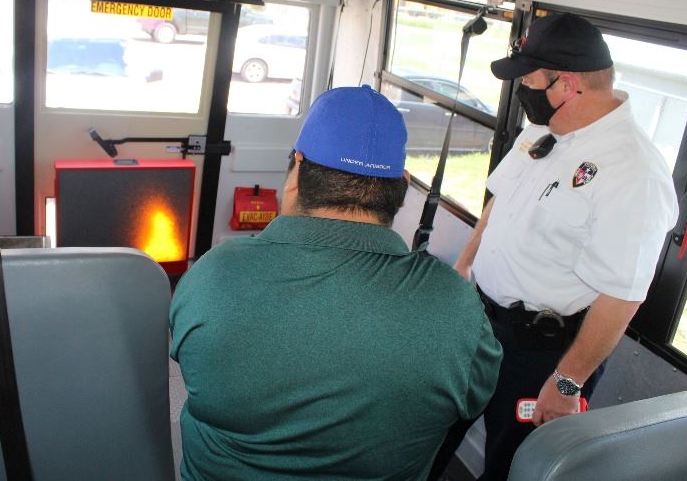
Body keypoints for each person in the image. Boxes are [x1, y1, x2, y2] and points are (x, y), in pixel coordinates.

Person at [169, 85, 502, 480]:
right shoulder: (456, 305)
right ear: (401, 188)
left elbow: (188, 364)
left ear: (297, 169)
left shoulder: (212, 275)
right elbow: (474, 396)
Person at [452, 13, 679, 480]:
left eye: (531, 81)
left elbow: (623, 294)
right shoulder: (545, 128)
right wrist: (464, 265)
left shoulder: (634, 172)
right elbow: (501, 201)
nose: (524, 93)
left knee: (512, 464)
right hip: (476, 324)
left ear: (567, 84)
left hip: (539, 355)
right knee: (436, 428)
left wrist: (566, 382)